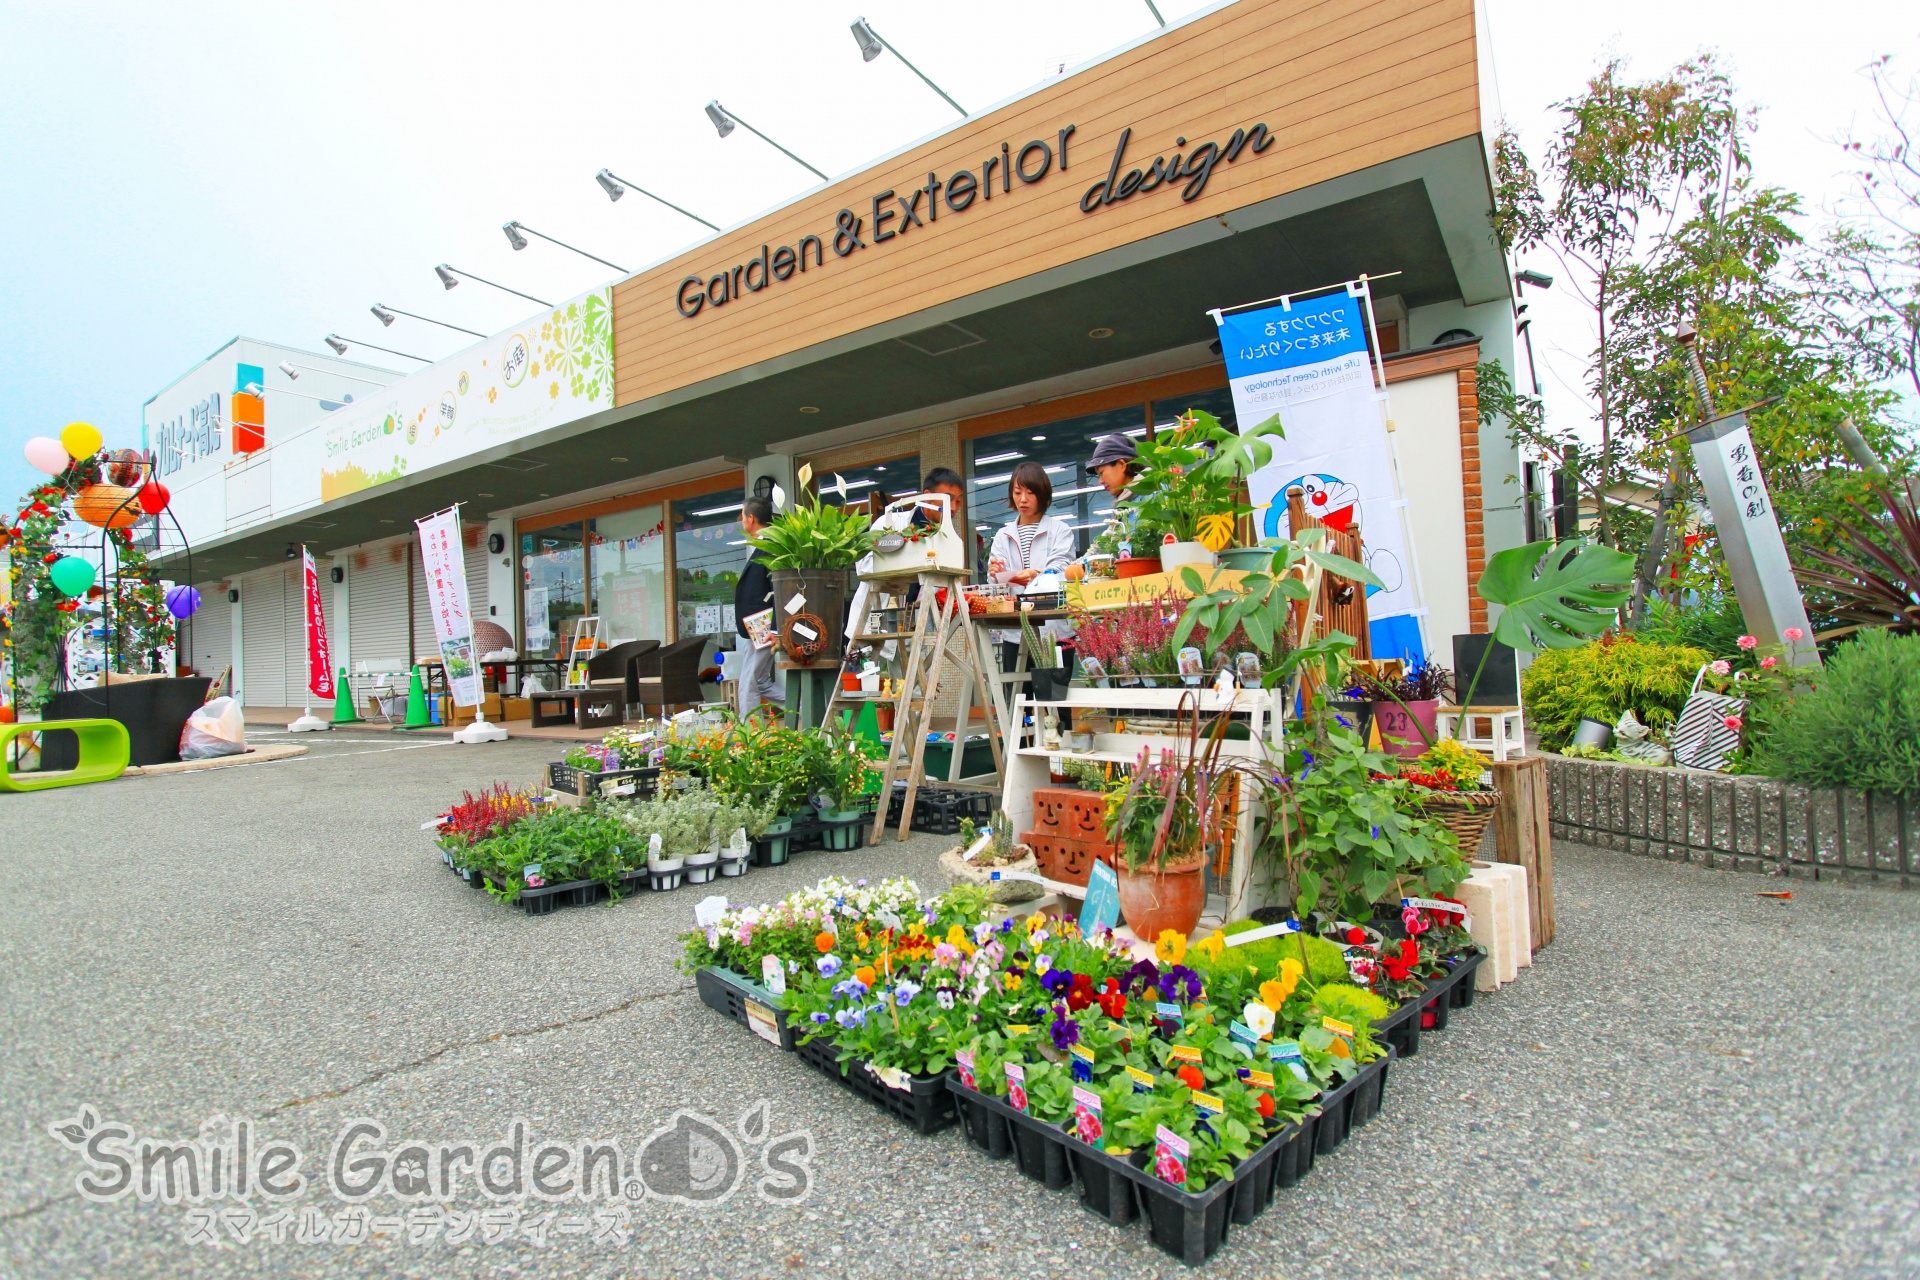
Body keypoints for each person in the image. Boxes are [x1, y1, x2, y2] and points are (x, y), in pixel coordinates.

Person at [987, 460, 1076, 672]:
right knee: (1018, 698)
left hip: (1053, 629)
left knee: (1056, 698)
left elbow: (1063, 569)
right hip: (1015, 630)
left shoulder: (1060, 530)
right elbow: (995, 581)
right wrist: (994, 573)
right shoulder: (1003, 535)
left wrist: (1036, 574)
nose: (1023, 499)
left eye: (1030, 493)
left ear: (1042, 494)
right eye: (1017, 492)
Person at [733, 495, 784, 716]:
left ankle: (751, 740)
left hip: (763, 627)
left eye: (742, 517)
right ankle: (809, 708)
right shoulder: (763, 546)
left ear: (750, 518)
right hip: (758, 627)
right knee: (761, 682)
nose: (742, 521)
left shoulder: (770, 547)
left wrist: (775, 628)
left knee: (748, 684)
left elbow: (780, 589)